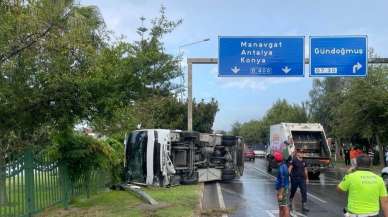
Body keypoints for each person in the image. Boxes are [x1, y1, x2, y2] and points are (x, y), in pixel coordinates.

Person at [274, 151, 290, 217]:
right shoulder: (283, 166)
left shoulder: (281, 168)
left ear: (276, 159)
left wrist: (280, 193)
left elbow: (283, 183)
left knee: (284, 207)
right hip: (282, 189)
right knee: (281, 207)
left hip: (282, 190)